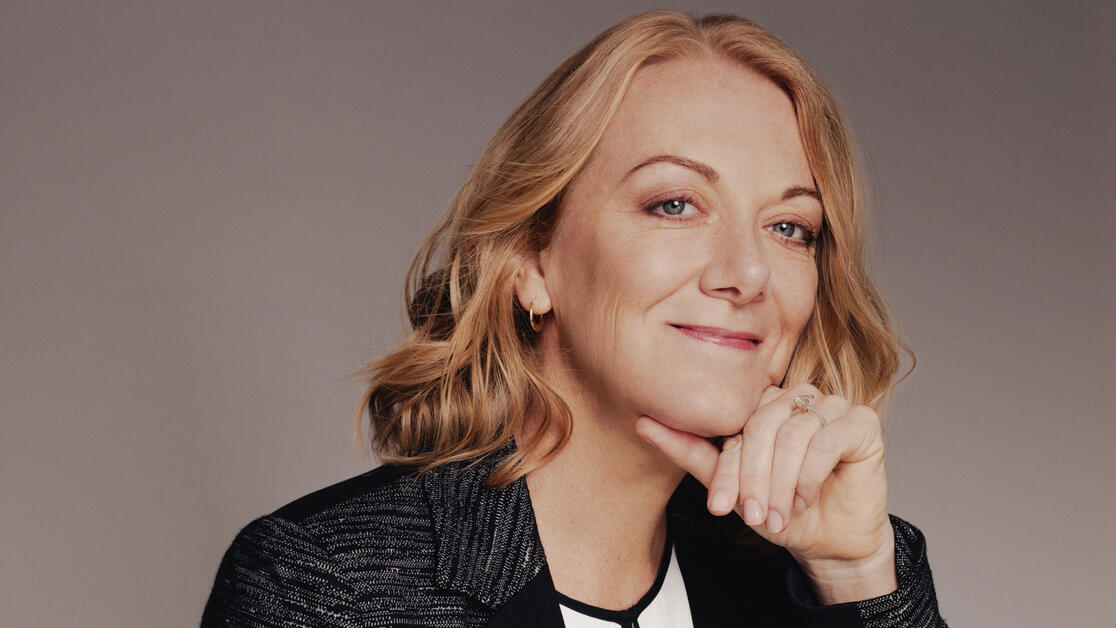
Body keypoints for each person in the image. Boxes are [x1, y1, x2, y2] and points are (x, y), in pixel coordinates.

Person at [202, 9, 948, 627]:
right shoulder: (325, 586)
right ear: (531, 260)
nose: (748, 274)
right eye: (674, 205)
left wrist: (855, 574)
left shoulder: (808, 578)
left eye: (790, 228)